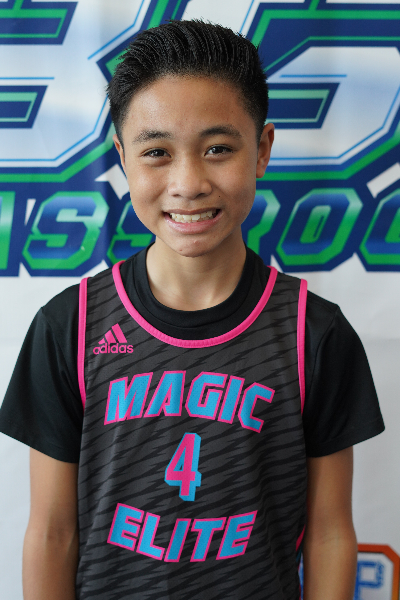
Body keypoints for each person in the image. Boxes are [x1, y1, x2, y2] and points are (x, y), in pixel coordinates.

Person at [0, 20, 384, 600]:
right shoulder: (70, 327)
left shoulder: (314, 332)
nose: (188, 182)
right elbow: (53, 534)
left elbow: (330, 533)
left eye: (218, 149)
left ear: (262, 149)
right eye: (157, 152)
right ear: (123, 157)